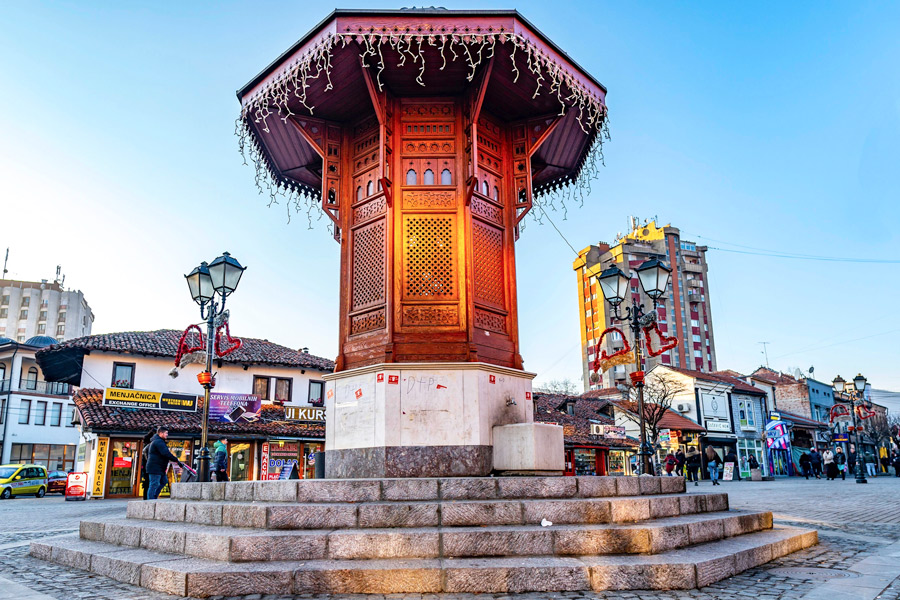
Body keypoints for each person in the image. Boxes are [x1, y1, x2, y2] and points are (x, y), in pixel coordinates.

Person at [145, 426, 184, 500]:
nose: (167, 435)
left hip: (159, 467)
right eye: (166, 433)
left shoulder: (158, 441)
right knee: (154, 484)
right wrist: (177, 460)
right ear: (161, 433)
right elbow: (166, 453)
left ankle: (154, 497)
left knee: (164, 481)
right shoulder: (158, 442)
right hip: (155, 467)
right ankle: (150, 501)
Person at [140, 429, 155, 500]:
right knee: (149, 483)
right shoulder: (149, 446)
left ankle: (146, 498)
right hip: (148, 467)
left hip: (146, 467)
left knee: (147, 483)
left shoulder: (146, 445)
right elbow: (148, 458)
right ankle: (148, 499)